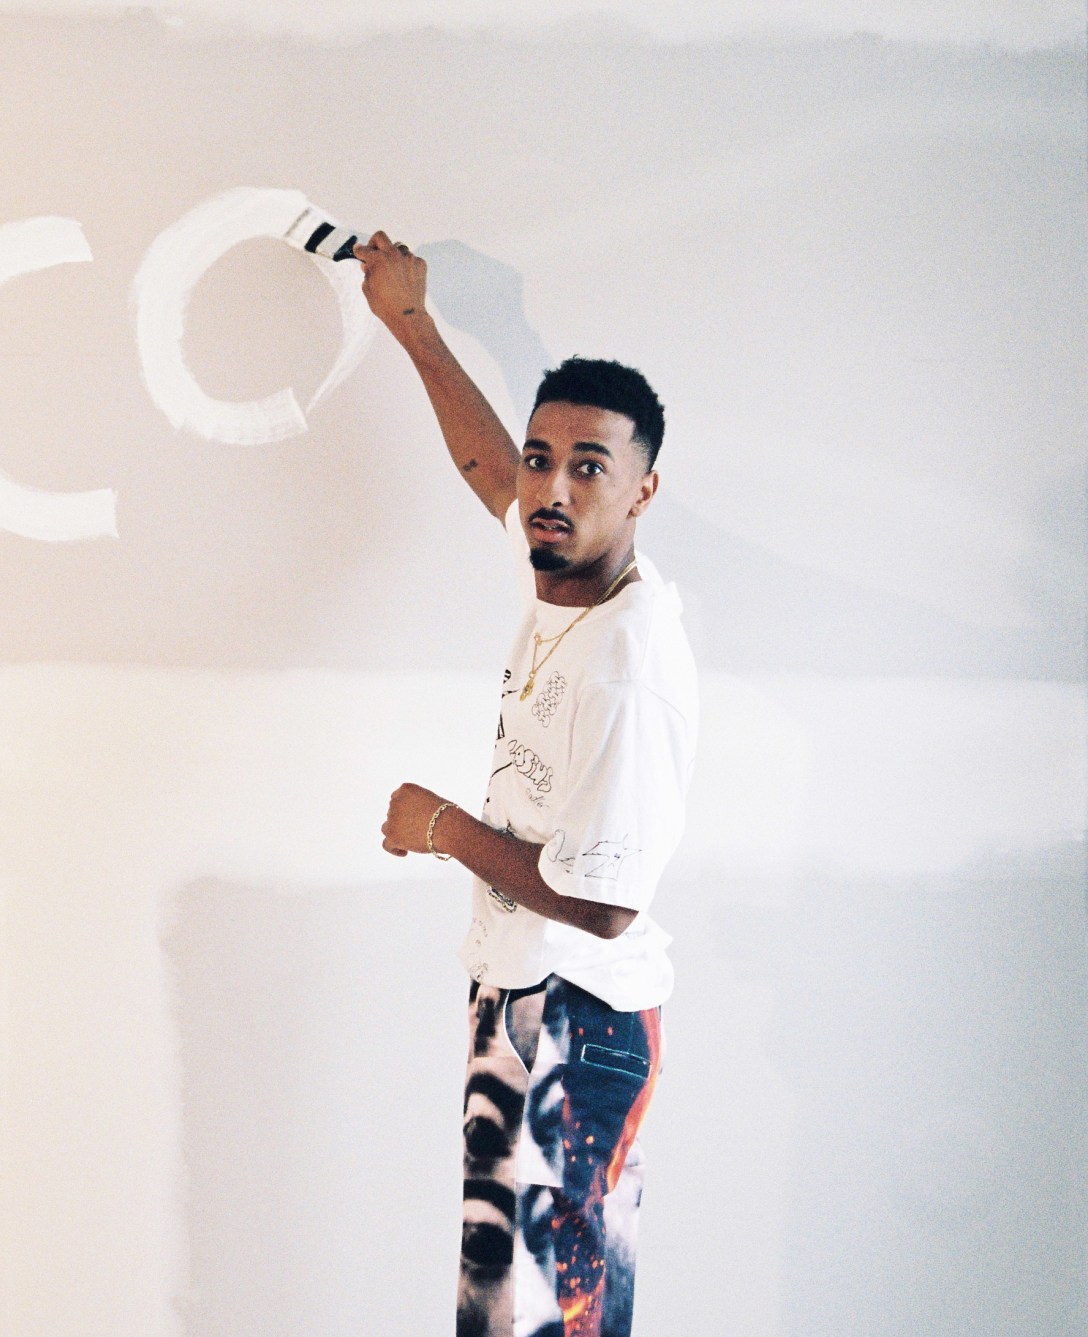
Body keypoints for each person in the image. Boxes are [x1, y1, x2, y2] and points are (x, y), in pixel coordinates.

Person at [352, 232, 697, 1337]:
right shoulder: (567, 580)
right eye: (543, 458)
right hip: (526, 1001)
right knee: (506, 1311)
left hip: (575, 1018)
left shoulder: (625, 663)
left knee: (547, 1321)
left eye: (587, 467)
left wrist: (444, 827)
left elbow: (606, 901)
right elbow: (484, 468)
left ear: (642, 490)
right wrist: (410, 323)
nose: (548, 487)